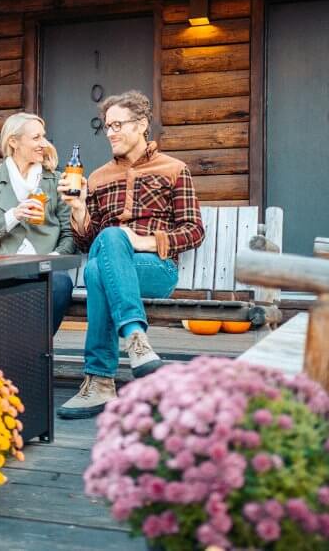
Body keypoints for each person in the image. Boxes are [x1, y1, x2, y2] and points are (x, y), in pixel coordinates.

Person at [56, 90, 205, 419]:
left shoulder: (174, 169)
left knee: (102, 266)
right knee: (98, 266)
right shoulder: (95, 178)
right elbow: (88, 242)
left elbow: (194, 230)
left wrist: (143, 241)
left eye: (118, 125)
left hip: (155, 269)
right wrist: (79, 209)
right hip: (110, 267)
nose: (111, 133)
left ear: (141, 124)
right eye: (107, 127)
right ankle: (136, 339)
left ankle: (99, 380)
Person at [0, 112, 76, 334]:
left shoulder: (57, 181)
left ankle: (37, 347)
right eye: (36, 138)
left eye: (44, 137)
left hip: (44, 267)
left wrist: (54, 259)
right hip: (1, 267)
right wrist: (13, 216)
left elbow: (70, 234)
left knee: (60, 283)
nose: (43, 144)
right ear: (13, 142)